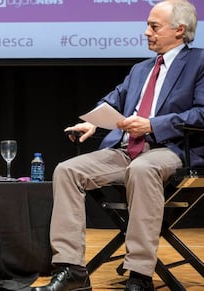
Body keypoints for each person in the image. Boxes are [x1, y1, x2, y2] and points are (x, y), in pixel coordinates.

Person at [31, 1, 203, 291]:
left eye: (154, 26)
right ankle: (72, 269)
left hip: (172, 151)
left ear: (179, 30)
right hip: (126, 150)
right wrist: (95, 122)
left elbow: (201, 113)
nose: (146, 32)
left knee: (142, 168)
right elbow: (113, 100)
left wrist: (152, 125)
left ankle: (139, 274)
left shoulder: (199, 63)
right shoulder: (141, 69)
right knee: (67, 170)